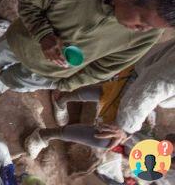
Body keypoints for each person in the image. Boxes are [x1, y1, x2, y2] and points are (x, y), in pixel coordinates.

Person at [0, 0, 175, 93]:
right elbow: (28, 0)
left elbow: (104, 68)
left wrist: (63, 84)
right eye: (142, 22)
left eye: (152, 28)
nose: (143, 30)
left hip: (50, 74)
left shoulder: (148, 35)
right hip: (19, 42)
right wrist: (43, 35)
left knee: (16, 81)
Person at [24, 38, 175, 159]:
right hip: (144, 74)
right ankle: (43, 135)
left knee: (111, 95)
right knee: (108, 137)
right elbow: (151, 87)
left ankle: (62, 99)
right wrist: (125, 128)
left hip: (149, 70)